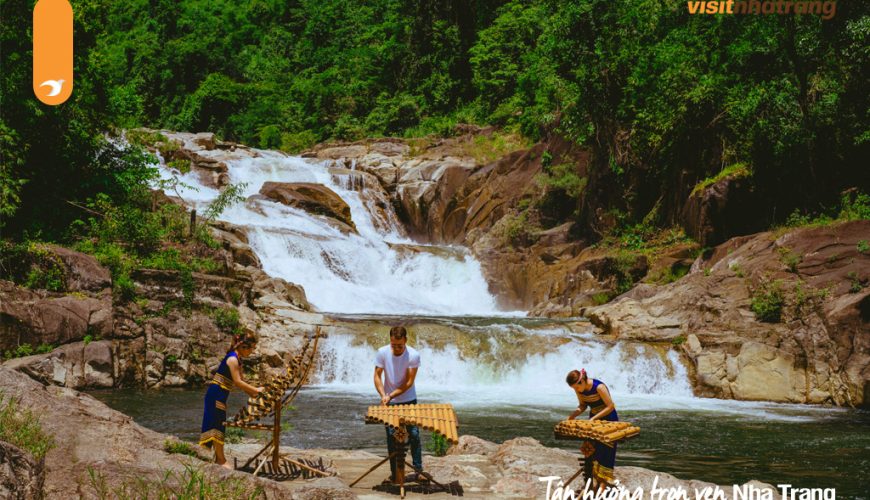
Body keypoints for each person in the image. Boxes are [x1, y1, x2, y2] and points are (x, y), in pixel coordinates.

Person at [200, 330, 263, 468]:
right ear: (244, 346)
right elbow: (238, 382)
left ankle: (217, 458)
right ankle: (220, 460)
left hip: (220, 394)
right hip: (216, 394)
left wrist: (252, 392)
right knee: (217, 424)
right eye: (252, 348)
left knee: (218, 423)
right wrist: (256, 391)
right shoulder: (233, 359)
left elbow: (241, 382)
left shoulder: (237, 359)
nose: (252, 351)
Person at [374, 326, 422, 482]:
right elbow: (377, 375)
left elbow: (409, 382)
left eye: (400, 345)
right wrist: (383, 395)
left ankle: (418, 469)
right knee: (391, 437)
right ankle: (395, 474)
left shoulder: (413, 355)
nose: (396, 348)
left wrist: (391, 395)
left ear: (405, 341)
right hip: (390, 402)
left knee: (413, 434)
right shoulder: (382, 352)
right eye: (393, 345)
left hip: (408, 399)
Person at [566, 368, 619, 491]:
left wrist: (593, 419)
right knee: (592, 450)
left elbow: (611, 406)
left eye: (576, 387)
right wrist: (573, 415)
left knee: (606, 451)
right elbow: (583, 405)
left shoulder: (599, 387)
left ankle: (603, 486)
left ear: (582, 382)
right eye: (573, 388)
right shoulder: (579, 389)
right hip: (593, 419)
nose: (576, 390)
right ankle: (592, 484)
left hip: (608, 419)